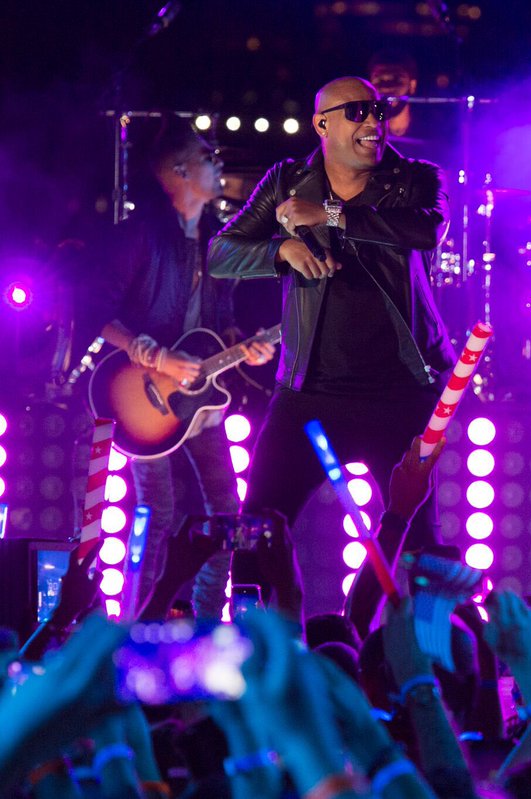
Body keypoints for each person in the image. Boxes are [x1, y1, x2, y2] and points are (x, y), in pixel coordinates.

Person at [207, 76, 456, 584]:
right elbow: (220, 253)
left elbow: (425, 229)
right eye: (358, 112)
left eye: (378, 111)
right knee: (256, 534)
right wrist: (281, 250)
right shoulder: (286, 179)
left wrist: (331, 215)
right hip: (309, 395)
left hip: (400, 391)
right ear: (322, 124)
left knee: (416, 547)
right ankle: (266, 654)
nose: (373, 122)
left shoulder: (414, 179)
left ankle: (422, 657)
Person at [95, 120, 275, 618]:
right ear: (178, 171)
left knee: (228, 514)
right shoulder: (138, 237)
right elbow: (95, 313)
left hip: (198, 400)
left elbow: (222, 324)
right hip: (142, 395)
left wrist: (246, 347)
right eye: (206, 156)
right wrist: (153, 354)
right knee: (158, 510)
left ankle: (207, 617)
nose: (218, 163)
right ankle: (139, 621)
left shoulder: (218, 242)